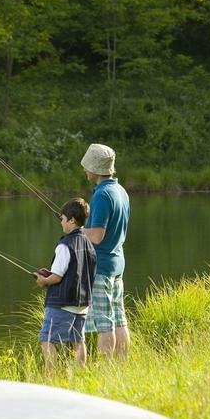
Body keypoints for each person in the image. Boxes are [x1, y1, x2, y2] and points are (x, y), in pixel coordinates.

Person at [81, 143, 130, 358]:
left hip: (101, 266)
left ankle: (106, 369)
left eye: (86, 166)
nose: (84, 170)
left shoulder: (101, 195)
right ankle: (122, 364)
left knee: (103, 321)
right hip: (117, 262)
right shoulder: (120, 191)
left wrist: (77, 231)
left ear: (94, 169)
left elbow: (97, 236)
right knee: (119, 317)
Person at [35, 197, 96, 372]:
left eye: (62, 219)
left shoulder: (65, 245)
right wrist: (51, 273)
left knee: (47, 339)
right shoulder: (89, 244)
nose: (61, 222)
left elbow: (57, 277)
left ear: (71, 220)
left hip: (63, 304)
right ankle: (82, 374)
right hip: (82, 305)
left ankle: (51, 376)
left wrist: (44, 280)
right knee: (78, 341)